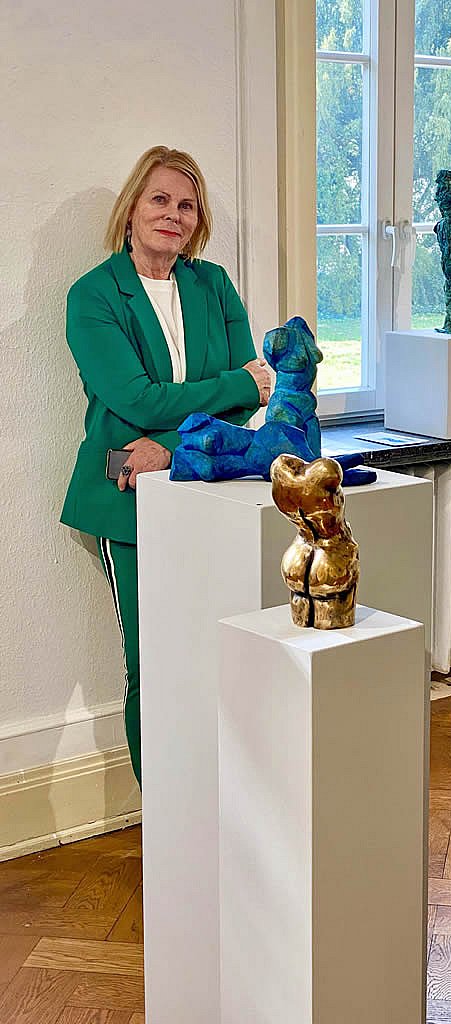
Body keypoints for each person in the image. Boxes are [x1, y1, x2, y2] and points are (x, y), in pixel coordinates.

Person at [61, 146, 272, 787]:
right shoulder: (93, 296)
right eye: (160, 199)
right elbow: (137, 399)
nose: (173, 215)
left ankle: (214, 798)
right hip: (127, 499)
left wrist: (171, 449)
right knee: (152, 660)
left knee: (216, 651)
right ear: (132, 208)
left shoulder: (214, 285)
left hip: (211, 493)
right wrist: (235, 382)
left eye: (187, 205)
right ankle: (163, 811)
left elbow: (250, 402)